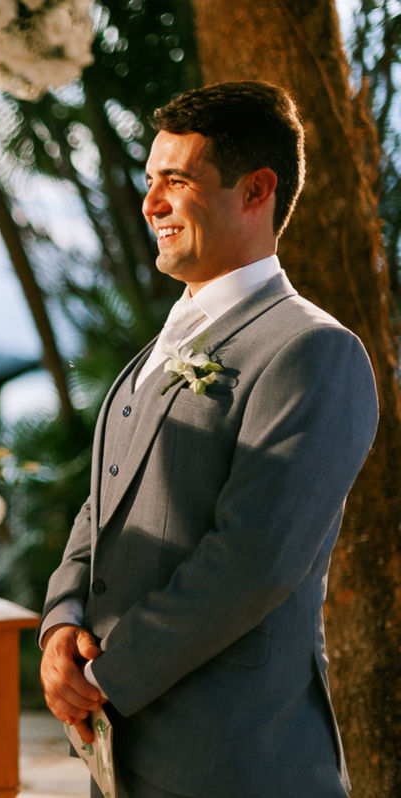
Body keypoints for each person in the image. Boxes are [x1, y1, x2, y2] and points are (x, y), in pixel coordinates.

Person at [38, 81, 379, 798]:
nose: (151, 203)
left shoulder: (314, 352)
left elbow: (254, 559)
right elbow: (104, 504)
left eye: (177, 181)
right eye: (149, 181)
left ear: (257, 191)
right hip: (123, 759)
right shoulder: (162, 345)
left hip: (236, 761)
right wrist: (62, 623)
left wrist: (104, 678)